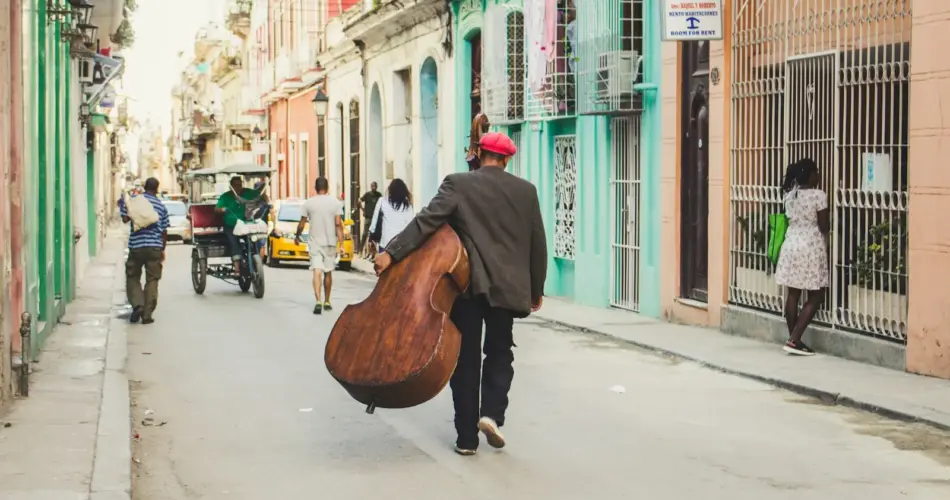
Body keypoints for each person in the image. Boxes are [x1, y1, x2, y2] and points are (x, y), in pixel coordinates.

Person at [374, 132, 548, 456]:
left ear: (479, 153)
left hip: (468, 287)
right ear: (507, 159)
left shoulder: (458, 184)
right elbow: (538, 244)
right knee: (500, 351)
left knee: (465, 359)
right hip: (507, 289)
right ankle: (491, 414)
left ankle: (466, 439)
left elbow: (426, 222)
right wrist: (536, 290)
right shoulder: (526, 192)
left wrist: (391, 253)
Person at [774, 158, 829, 356]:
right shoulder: (818, 195)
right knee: (817, 294)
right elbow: (823, 226)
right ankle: (794, 339)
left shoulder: (790, 195)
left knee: (794, 293)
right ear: (811, 175)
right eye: (817, 172)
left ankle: (793, 339)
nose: (819, 175)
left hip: (791, 245)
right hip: (810, 246)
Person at [120, 177, 169, 325]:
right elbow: (164, 231)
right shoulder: (161, 206)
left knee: (132, 276)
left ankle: (138, 305)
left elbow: (124, 218)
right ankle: (147, 315)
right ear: (157, 189)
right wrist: (162, 249)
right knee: (152, 279)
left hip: (136, 246)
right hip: (154, 246)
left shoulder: (135, 201)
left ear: (144, 187)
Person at [295, 176, 344, 315]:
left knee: (317, 271)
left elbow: (302, 223)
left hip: (315, 242)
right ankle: (327, 301)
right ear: (327, 187)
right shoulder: (335, 203)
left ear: (315, 188)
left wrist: (297, 236)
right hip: (330, 242)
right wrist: (341, 244)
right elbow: (338, 224)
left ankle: (318, 300)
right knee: (328, 271)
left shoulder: (309, 203)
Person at [215, 176, 268, 276]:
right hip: (231, 225)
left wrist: (265, 199)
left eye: (239, 185)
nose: (238, 187)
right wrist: (222, 209)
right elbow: (217, 208)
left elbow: (262, 196)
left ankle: (255, 260)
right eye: (235, 185)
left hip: (247, 224)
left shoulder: (249, 193)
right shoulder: (225, 196)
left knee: (256, 239)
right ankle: (237, 268)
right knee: (233, 240)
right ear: (231, 186)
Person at [367, 178, 414, 252]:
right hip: (402, 245)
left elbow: (374, 221)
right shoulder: (408, 205)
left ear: (390, 189)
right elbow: (411, 224)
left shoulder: (382, 201)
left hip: (386, 244)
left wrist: (370, 238)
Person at [359, 182, 382, 257]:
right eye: (372, 186)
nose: (373, 188)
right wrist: (363, 210)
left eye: (374, 186)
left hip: (375, 218)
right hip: (368, 217)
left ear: (377, 187)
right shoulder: (367, 195)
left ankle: (372, 253)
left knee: (374, 235)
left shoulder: (379, 195)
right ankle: (360, 250)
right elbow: (359, 201)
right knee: (365, 234)